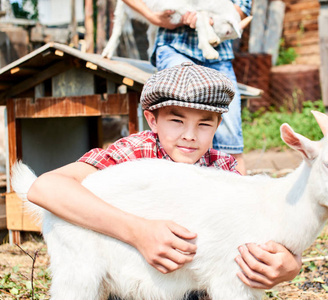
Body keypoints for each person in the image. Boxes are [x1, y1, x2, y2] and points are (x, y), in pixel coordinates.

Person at [27, 64, 302, 298]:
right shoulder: (133, 153)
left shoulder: (222, 170)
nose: (190, 135)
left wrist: (290, 265)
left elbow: (254, 230)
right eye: (176, 121)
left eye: (204, 124)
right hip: (125, 284)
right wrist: (138, 231)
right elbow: (44, 188)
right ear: (152, 120)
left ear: (218, 125)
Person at [121, 0, 249, 175]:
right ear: (152, 120)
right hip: (175, 45)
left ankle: (237, 192)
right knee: (180, 134)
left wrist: (208, 19)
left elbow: (241, 8)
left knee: (230, 137)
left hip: (218, 52)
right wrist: (152, 16)